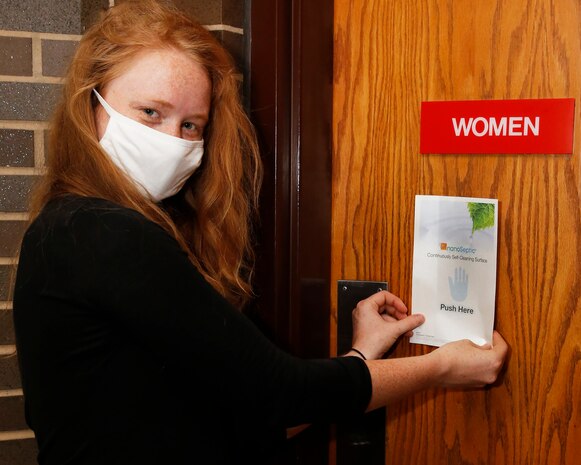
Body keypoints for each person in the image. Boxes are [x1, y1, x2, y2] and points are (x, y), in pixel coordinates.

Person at [12, 1, 508, 464]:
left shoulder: (82, 228)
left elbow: (252, 414)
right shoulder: (101, 232)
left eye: (192, 126)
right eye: (150, 113)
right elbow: (278, 395)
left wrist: (362, 355)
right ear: (91, 106)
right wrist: (440, 368)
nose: (171, 140)